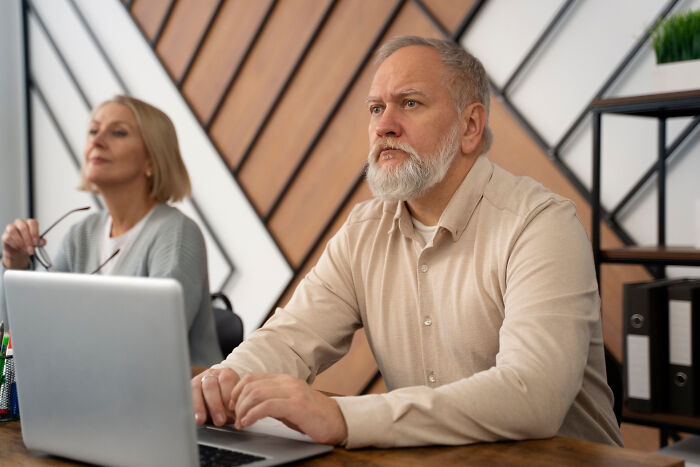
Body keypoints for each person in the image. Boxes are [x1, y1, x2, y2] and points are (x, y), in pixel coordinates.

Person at [192, 36, 623, 448]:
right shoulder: (363, 231)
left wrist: (344, 418)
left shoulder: (541, 224)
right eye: (376, 108)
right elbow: (290, 339)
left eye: (410, 104)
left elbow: (533, 395)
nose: (384, 126)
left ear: (470, 126)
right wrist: (223, 379)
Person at [1, 95, 222, 367]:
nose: (97, 140)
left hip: (174, 404)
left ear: (151, 160)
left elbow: (152, 343)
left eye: (118, 132)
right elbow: (26, 335)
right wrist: (16, 263)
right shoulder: (81, 234)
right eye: (93, 130)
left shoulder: (176, 234)